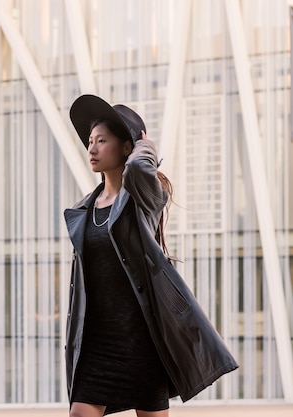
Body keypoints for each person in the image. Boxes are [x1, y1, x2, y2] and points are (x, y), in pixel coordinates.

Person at [63, 95, 238, 417]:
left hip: (142, 338)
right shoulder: (83, 209)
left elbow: (142, 173)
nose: (91, 149)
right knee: (79, 412)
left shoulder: (144, 199)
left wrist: (146, 146)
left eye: (102, 141)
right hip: (97, 341)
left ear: (126, 148)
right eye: (90, 141)